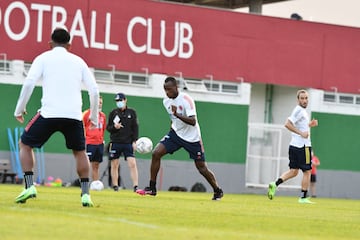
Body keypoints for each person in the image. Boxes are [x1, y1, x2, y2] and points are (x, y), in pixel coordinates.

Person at [13, 28, 99, 207]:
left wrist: (19, 110)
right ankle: (85, 195)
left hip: (49, 113)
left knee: (25, 144)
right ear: (69, 45)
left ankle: (29, 186)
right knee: (80, 152)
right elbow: (94, 90)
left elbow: (29, 82)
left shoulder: (43, 58)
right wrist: (94, 116)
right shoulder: (79, 61)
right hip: (74, 116)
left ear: (50, 43)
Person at [136, 76, 224, 200]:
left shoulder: (186, 100)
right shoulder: (166, 101)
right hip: (176, 134)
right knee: (156, 153)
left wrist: (177, 114)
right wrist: (172, 130)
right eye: (165, 90)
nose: (167, 92)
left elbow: (193, 121)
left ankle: (217, 190)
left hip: (192, 138)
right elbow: (172, 120)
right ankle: (152, 188)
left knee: (201, 168)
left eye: (169, 89)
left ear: (176, 87)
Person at [267, 89, 318, 204]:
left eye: (306, 98)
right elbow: (287, 124)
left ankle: (274, 184)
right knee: (307, 171)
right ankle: (303, 197)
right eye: (302, 98)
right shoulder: (298, 110)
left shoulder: (302, 111)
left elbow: (301, 126)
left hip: (294, 146)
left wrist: (310, 125)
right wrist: (301, 133)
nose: (304, 100)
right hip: (303, 147)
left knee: (294, 171)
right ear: (298, 100)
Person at [106, 93, 139, 192]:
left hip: (128, 142)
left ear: (125, 100)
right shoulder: (113, 113)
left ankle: (135, 186)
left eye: (120, 100)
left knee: (132, 163)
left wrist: (134, 141)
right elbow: (108, 128)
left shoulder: (132, 112)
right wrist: (114, 127)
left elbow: (135, 127)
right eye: (117, 101)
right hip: (116, 142)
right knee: (114, 164)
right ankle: (115, 185)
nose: (119, 103)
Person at [83, 96, 106, 182]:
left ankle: (95, 183)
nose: (99, 105)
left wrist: (101, 139)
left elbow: (103, 129)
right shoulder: (87, 114)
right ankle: (84, 182)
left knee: (96, 165)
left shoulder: (103, 116)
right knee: (87, 164)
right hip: (89, 143)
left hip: (99, 143)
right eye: (98, 103)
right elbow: (82, 126)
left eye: (101, 103)